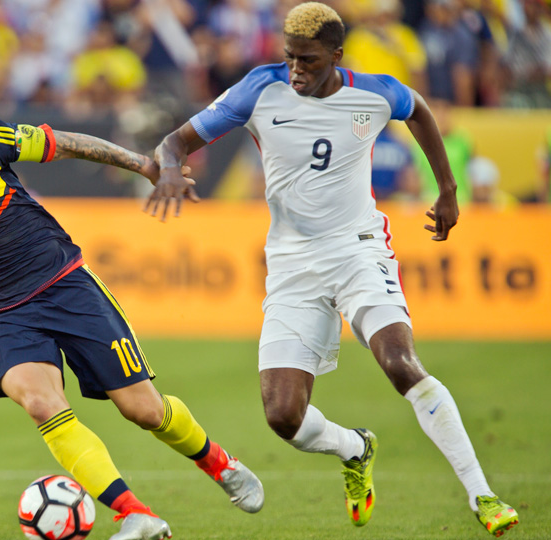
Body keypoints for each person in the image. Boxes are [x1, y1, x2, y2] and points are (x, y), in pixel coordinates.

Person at [145, 2, 518, 537]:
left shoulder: (374, 91)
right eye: (290, 58)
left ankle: (483, 496)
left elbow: (420, 112)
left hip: (358, 248)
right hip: (293, 264)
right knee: (282, 417)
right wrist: (170, 170)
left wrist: (449, 189)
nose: (296, 70)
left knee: (400, 362)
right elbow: (176, 139)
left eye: (309, 61)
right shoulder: (258, 89)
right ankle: (356, 447)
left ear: (337, 56)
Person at [0, 87, 264, 540]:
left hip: (64, 282)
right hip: (0, 313)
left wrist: (145, 166)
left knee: (144, 410)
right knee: (40, 403)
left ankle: (220, 464)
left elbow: (67, 143)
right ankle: (135, 514)